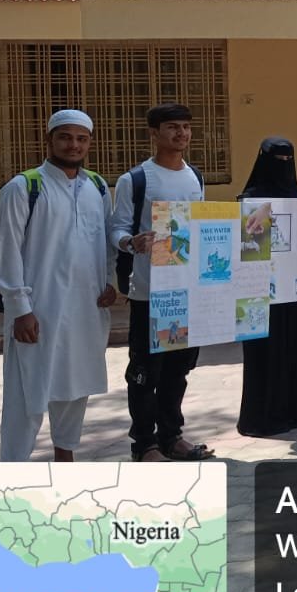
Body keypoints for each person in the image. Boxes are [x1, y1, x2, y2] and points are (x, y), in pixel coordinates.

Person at [0, 110, 118, 461]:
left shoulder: (96, 187)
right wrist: (20, 309)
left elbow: (104, 242)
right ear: (49, 140)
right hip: (39, 310)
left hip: (85, 310)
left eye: (81, 138)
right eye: (65, 137)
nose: (74, 144)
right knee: (27, 395)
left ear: (89, 143)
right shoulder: (23, 187)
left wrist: (108, 280)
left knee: (74, 387)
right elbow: (9, 253)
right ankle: (12, 472)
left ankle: (66, 458)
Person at [111, 102, 214, 462]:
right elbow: (117, 229)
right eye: (172, 127)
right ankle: (145, 444)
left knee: (178, 369)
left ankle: (172, 436)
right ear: (154, 133)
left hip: (186, 292)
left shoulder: (195, 177)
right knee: (144, 371)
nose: (181, 134)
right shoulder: (136, 180)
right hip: (149, 293)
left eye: (186, 127)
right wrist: (130, 242)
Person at [236, 137, 297, 436]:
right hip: (260, 290)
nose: (284, 167)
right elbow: (249, 249)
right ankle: (262, 416)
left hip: (295, 289)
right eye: (277, 160)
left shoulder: (296, 196)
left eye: (289, 160)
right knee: (264, 351)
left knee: (296, 347)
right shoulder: (250, 200)